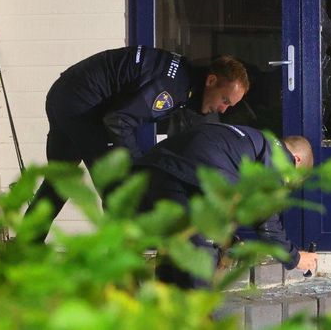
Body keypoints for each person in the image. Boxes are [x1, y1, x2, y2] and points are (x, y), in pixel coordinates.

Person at [27, 46, 249, 239]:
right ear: (211, 81)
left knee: (61, 180)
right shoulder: (173, 87)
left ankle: (24, 248)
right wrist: (136, 165)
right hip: (84, 104)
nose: (223, 109)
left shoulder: (184, 78)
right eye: (225, 100)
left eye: (229, 106)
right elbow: (118, 121)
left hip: (64, 94)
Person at [134, 122, 318, 288]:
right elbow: (265, 219)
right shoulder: (279, 157)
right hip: (188, 183)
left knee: (173, 259)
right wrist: (296, 258)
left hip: (153, 174)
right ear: (296, 160)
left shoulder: (247, 140)